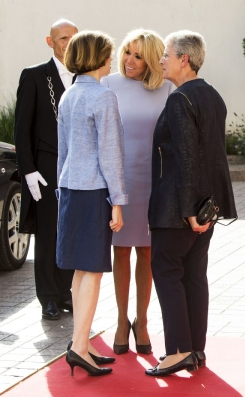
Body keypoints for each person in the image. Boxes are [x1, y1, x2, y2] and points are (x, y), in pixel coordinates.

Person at [145, 30, 237, 376]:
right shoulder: (212, 96)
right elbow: (212, 158)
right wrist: (207, 208)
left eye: (166, 55)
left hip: (179, 210)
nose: (161, 60)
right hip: (204, 208)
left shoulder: (180, 99)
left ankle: (178, 352)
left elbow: (186, 157)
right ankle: (195, 350)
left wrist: (187, 211)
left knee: (167, 271)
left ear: (184, 59)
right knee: (194, 275)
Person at [101, 29, 176, 356]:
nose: (129, 61)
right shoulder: (108, 84)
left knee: (146, 251)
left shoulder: (169, 88)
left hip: (153, 181)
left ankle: (142, 322)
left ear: (151, 60)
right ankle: (120, 321)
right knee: (120, 251)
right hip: (119, 181)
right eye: (127, 53)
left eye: (138, 56)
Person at [58, 30, 127, 377]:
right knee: (93, 270)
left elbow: (63, 152)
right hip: (93, 192)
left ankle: (77, 345)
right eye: (109, 53)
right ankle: (81, 347)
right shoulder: (103, 97)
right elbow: (111, 155)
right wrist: (118, 201)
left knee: (80, 269)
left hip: (71, 189)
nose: (112, 59)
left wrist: (61, 191)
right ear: (98, 57)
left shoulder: (68, 95)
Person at [14, 19, 78, 321]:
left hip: (77, 169)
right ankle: (49, 297)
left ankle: (67, 293)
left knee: (71, 233)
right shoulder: (35, 76)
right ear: (50, 42)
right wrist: (28, 171)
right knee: (48, 235)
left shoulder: (85, 77)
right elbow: (21, 129)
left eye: (73, 37)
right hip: (45, 171)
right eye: (63, 37)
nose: (68, 42)